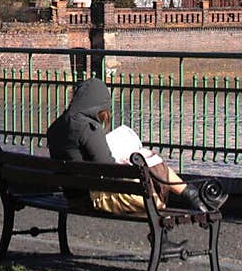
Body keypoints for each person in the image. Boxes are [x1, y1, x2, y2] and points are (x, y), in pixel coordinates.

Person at [46, 76, 207, 211]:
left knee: (148, 168)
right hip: (92, 200)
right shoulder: (88, 127)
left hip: (72, 197)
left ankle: (190, 194)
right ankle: (190, 195)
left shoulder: (56, 127)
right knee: (151, 177)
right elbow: (109, 170)